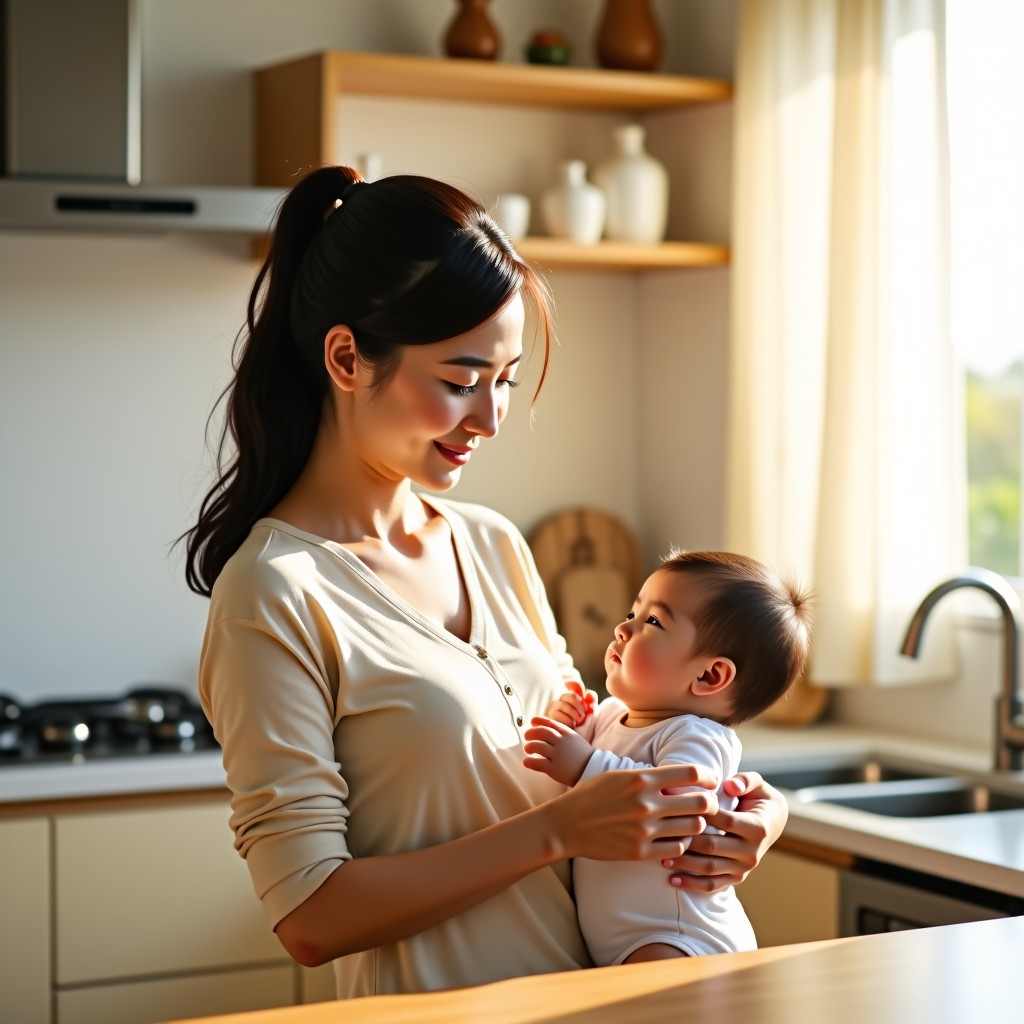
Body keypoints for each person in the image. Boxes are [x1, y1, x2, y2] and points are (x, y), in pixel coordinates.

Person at [179, 164, 792, 999]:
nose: (491, 418)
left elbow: (620, 741)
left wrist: (756, 814)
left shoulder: (495, 545)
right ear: (348, 357)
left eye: (503, 381)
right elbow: (312, 917)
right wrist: (558, 830)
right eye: (461, 381)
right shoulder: (275, 592)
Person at [524, 550, 813, 966]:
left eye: (653, 622)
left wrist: (583, 763)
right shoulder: (609, 714)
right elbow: (570, 769)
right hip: (626, 936)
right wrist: (567, 725)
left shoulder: (699, 736)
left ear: (708, 676)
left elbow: (676, 800)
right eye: (632, 612)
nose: (623, 628)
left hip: (679, 937)